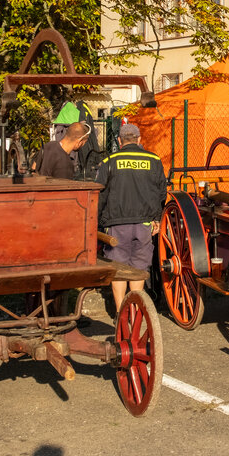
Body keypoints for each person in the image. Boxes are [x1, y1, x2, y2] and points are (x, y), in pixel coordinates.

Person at [96, 122, 167, 313]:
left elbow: (100, 194)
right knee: (138, 269)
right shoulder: (154, 160)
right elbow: (162, 193)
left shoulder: (110, 160)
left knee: (119, 269)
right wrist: (157, 219)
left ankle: (121, 313)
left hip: (116, 224)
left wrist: (97, 223)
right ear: (139, 139)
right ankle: (135, 314)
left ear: (119, 141)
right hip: (145, 224)